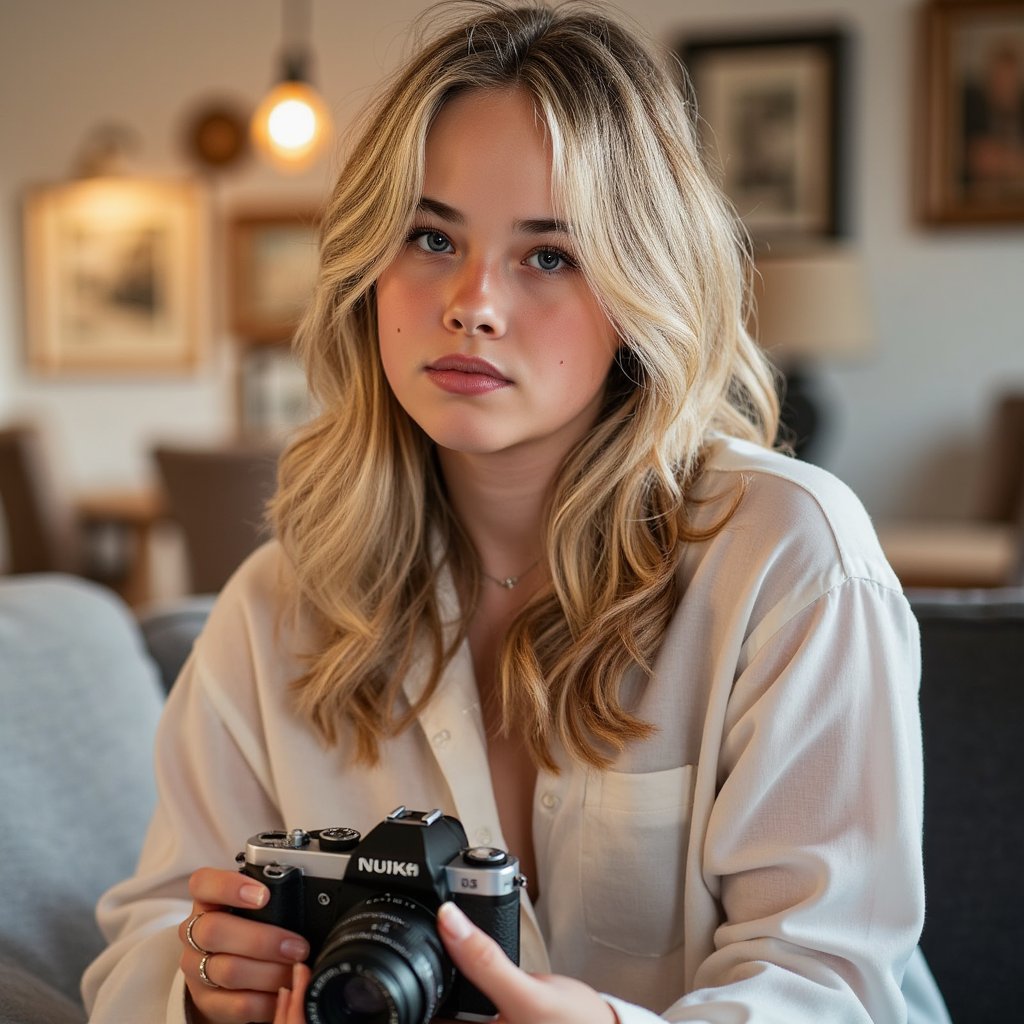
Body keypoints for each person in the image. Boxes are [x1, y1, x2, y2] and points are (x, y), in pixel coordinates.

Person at [83, 3, 949, 1022]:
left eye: (548, 254)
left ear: (639, 288)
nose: (472, 303)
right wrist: (200, 985)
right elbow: (143, 939)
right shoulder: (277, 603)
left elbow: (832, 983)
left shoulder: (788, 555)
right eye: (429, 236)